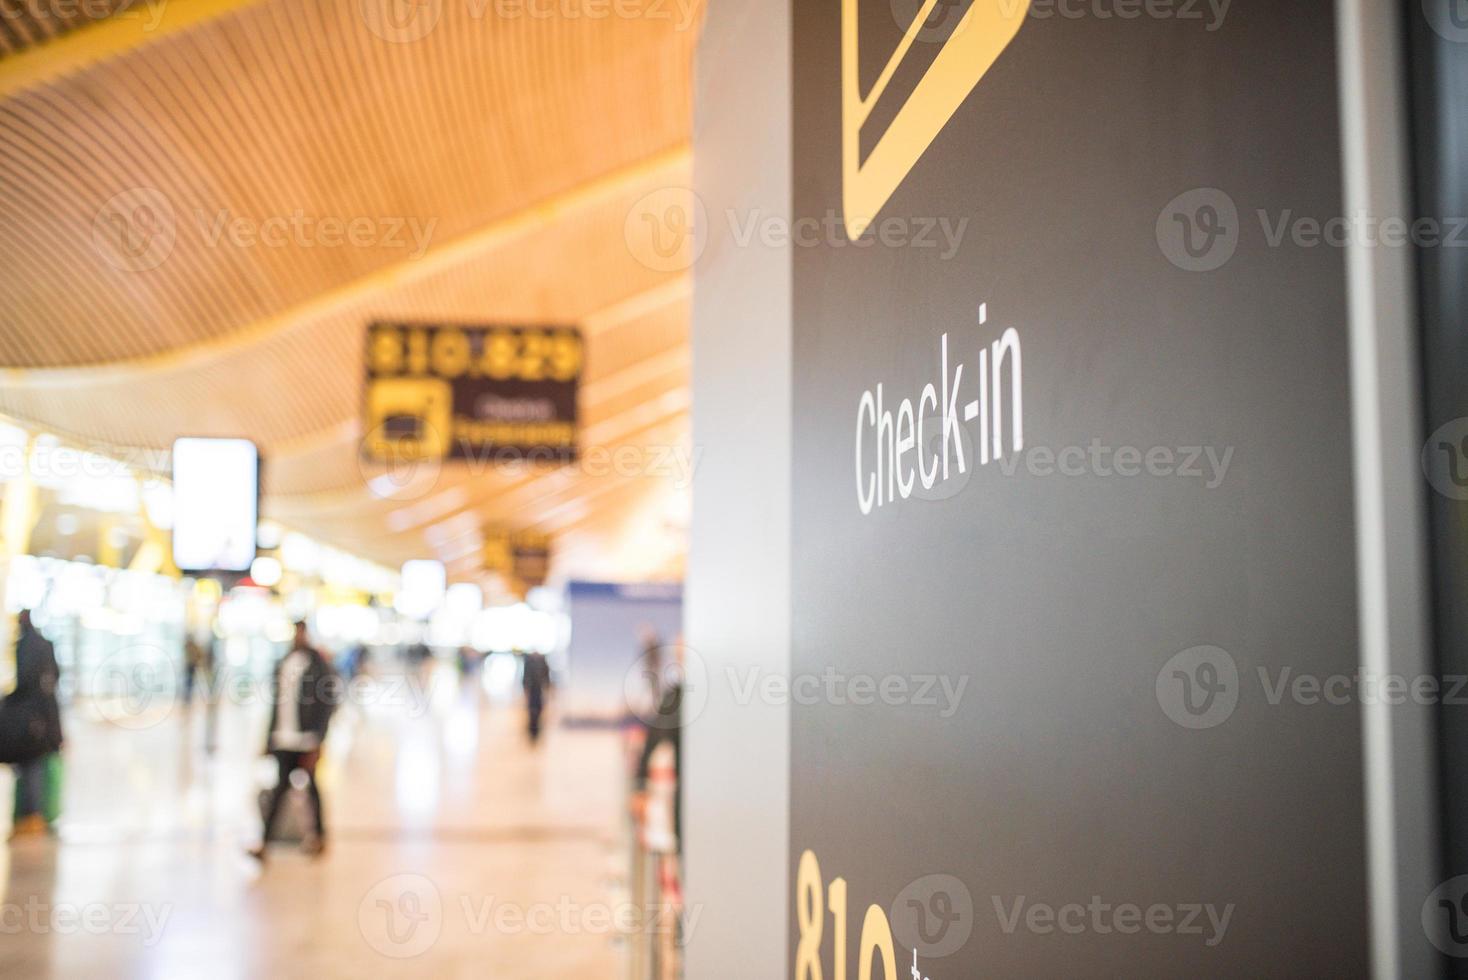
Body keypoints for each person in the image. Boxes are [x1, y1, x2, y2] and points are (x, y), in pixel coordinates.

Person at [250, 622, 338, 861]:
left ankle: (319, 837)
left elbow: (327, 704)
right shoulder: (284, 662)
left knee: (311, 788)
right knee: (279, 789)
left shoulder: (318, 666)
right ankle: (265, 841)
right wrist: (269, 738)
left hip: (306, 739)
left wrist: (318, 739)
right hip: (284, 738)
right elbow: (277, 706)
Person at [6, 611, 62, 838]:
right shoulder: (43, 644)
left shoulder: (27, 646)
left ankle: (31, 815)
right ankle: (32, 815)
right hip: (44, 718)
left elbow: (25, 681)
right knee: (33, 765)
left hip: (32, 721)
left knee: (31, 766)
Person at [522, 649, 551, 744]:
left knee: (538, 710)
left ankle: (536, 731)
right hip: (532, 691)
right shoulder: (529, 663)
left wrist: (547, 689)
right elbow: (525, 678)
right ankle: (532, 732)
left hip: (539, 690)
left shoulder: (543, 662)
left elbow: (546, 677)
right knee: (532, 712)